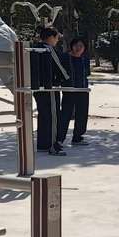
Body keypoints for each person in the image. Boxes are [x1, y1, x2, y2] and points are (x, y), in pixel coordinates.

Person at [32, 27, 69, 156]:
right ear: (51, 37)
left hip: (37, 87)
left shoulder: (34, 48)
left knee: (43, 114)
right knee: (53, 116)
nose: (57, 40)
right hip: (50, 87)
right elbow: (59, 67)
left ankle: (43, 144)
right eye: (57, 38)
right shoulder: (49, 49)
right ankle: (53, 145)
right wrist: (67, 78)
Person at [57, 37, 90, 147]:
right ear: (72, 46)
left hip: (83, 90)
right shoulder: (65, 57)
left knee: (82, 114)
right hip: (69, 90)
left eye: (81, 46)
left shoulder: (85, 59)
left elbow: (86, 73)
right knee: (65, 114)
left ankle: (77, 137)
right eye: (76, 45)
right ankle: (60, 139)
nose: (78, 48)